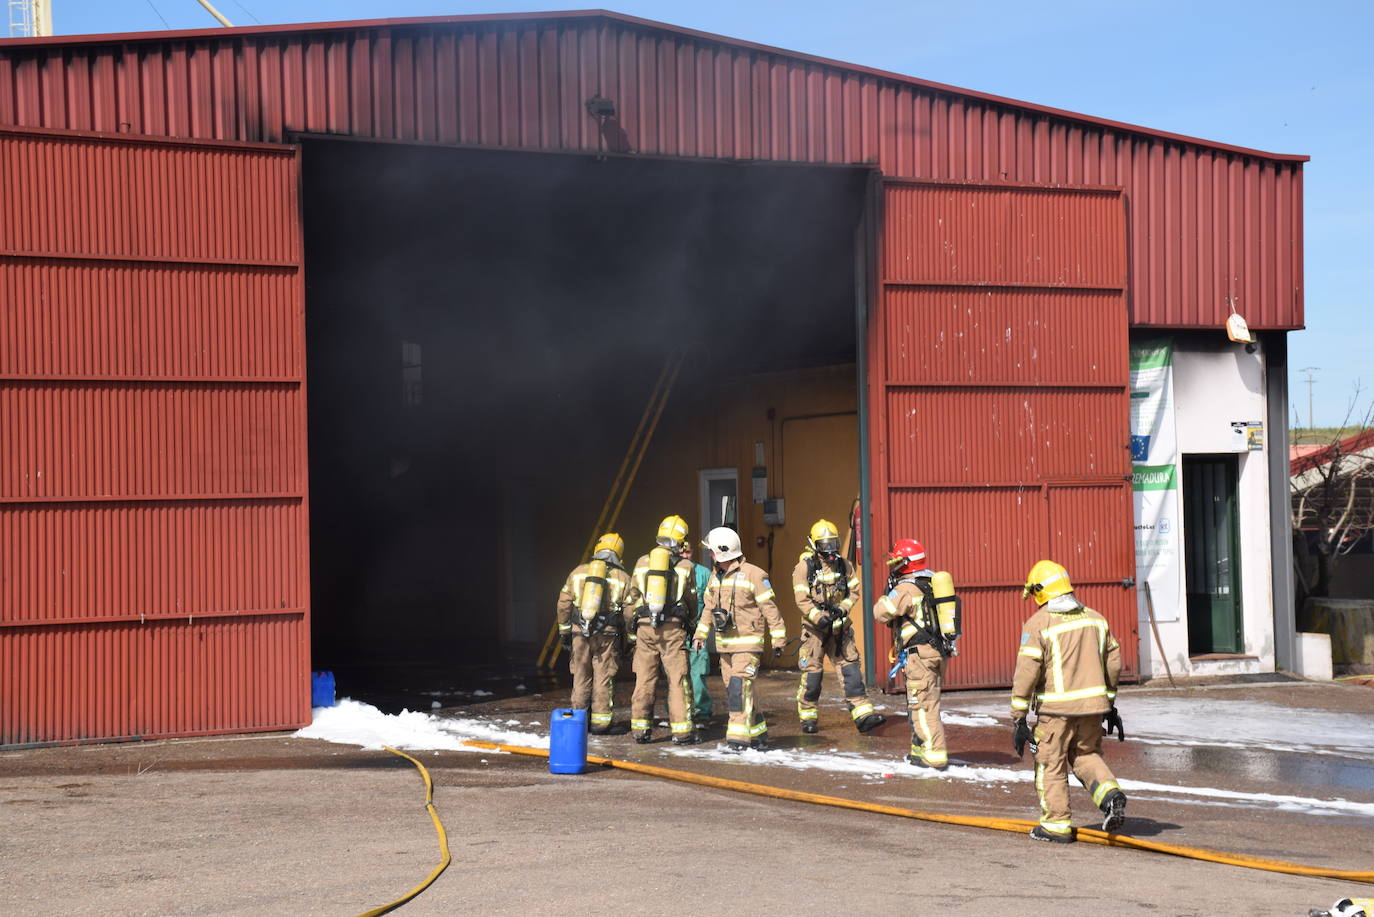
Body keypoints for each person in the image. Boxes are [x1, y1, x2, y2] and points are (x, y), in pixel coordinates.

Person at [1012, 560, 1128, 843]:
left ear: (1039, 592)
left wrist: (1018, 714)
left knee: (1050, 763)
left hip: (1056, 711)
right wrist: (1109, 702)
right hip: (1093, 709)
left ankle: (1056, 825)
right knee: (1086, 755)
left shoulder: (1039, 623)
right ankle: (1110, 795)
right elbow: (1114, 661)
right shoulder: (1096, 619)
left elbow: (1027, 670)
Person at [693, 526, 787, 751]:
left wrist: (778, 639)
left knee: (738, 689)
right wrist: (700, 635)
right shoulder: (716, 577)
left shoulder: (755, 575)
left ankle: (737, 740)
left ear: (722, 552)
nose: (709, 555)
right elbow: (708, 608)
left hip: (747, 645)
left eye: (712, 551)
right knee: (739, 691)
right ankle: (758, 733)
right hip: (726, 645)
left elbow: (770, 609)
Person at [792, 518, 885, 735]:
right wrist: (818, 616)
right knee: (813, 676)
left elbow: (854, 591)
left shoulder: (845, 565)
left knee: (851, 670)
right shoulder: (804, 568)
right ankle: (808, 717)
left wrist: (842, 608)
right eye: (825, 545)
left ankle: (863, 715)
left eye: (833, 544)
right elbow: (801, 599)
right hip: (815, 631)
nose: (830, 550)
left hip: (840, 630)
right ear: (814, 545)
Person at [873, 538, 959, 769]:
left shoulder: (906, 589)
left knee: (922, 705)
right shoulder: (932, 582)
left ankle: (935, 755)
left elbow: (881, 613)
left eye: (896, 562)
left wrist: (886, 593)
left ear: (905, 563)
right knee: (927, 701)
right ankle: (918, 749)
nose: (893, 566)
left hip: (919, 655)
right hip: (937, 652)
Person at [623, 515, 699, 745]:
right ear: (681, 540)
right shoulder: (685, 566)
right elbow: (691, 599)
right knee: (677, 679)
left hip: (645, 629)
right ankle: (682, 731)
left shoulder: (642, 562)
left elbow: (631, 599)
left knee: (644, 678)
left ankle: (640, 730)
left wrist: (632, 630)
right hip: (672, 630)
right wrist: (690, 620)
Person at [555, 532, 632, 734]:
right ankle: (600, 723)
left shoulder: (578, 572)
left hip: (580, 633)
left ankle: (579, 721)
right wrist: (630, 637)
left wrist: (564, 632)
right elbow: (630, 611)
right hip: (607, 635)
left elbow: (563, 604)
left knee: (580, 675)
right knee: (603, 676)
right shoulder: (622, 577)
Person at [683, 543, 715, 726]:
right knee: (676, 674)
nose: (685, 555)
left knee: (698, 673)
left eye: (688, 552)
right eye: (681, 552)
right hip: (677, 632)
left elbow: (710, 603)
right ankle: (678, 711)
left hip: (696, 632)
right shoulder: (672, 572)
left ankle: (702, 712)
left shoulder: (703, 573)